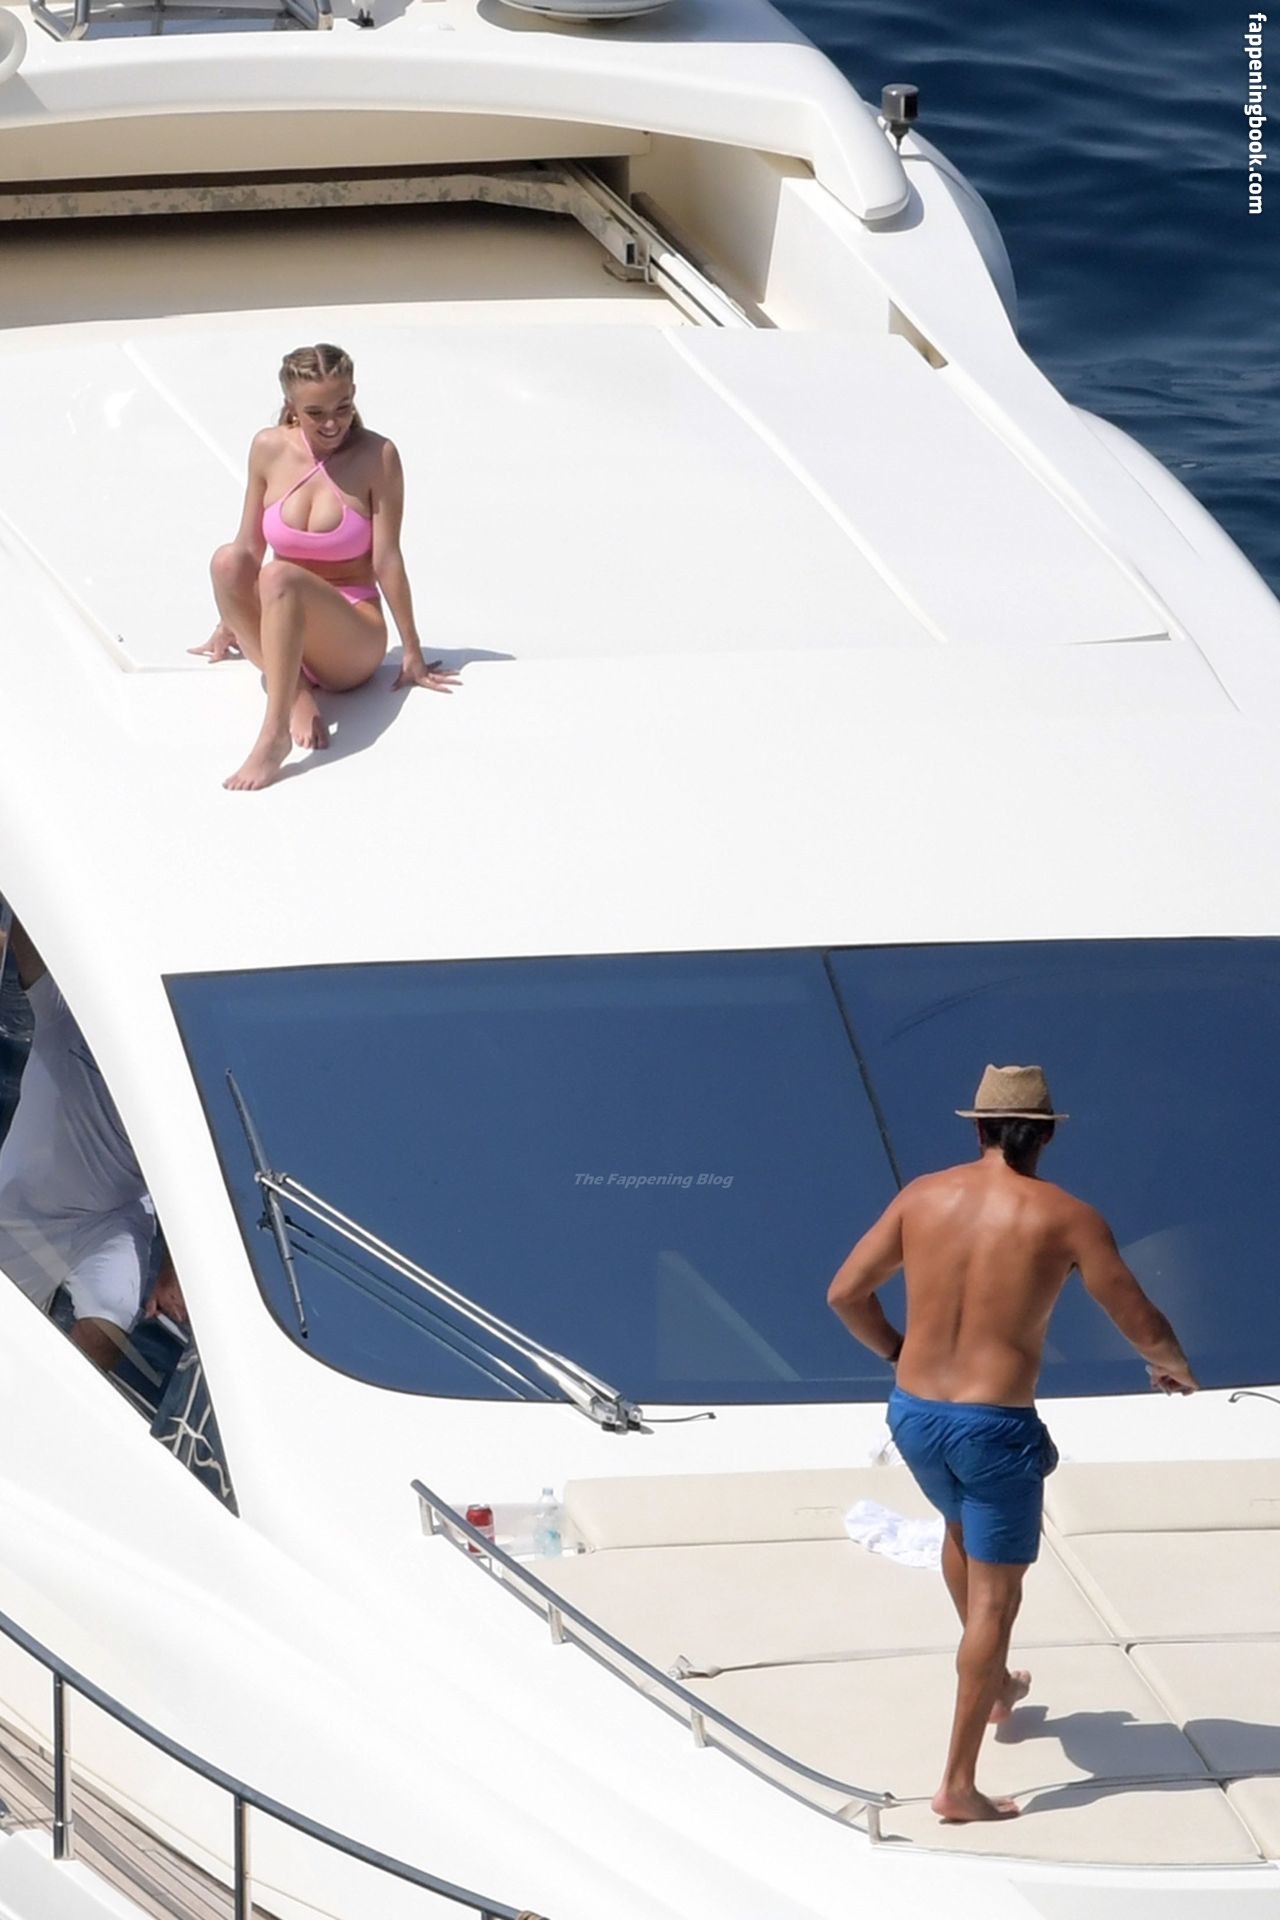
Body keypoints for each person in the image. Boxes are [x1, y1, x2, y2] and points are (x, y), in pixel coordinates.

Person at [827, 1062, 1196, 1826]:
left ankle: (995, 1684)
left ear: (980, 1130)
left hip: (914, 1415)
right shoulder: (1066, 1217)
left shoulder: (922, 1196)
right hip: (993, 1426)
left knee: (959, 1532)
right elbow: (1136, 1313)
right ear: (1046, 1136)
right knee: (998, 1598)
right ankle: (958, 1785)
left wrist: (898, 1351)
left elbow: (845, 1294)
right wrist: (1173, 1365)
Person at [192, 342, 460, 791]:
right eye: (316, 413)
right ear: (291, 406)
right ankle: (296, 691)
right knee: (226, 561)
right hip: (282, 619)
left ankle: (274, 736)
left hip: (352, 635)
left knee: (278, 575)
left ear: (354, 394)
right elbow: (249, 548)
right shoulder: (267, 448)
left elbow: (387, 558)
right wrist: (230, 620)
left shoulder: (378, 456)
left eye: (343, 407)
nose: (333, 423)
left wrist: (411, 650)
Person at [0, 918, 185, 1372]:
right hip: (18, 1204)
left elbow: (202, 1179)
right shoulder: (64, 1016)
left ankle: (42, 1404)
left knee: (108, 1325)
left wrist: (171, 1271)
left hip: (110, 1221)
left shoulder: (178, 1086)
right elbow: (27, 923)